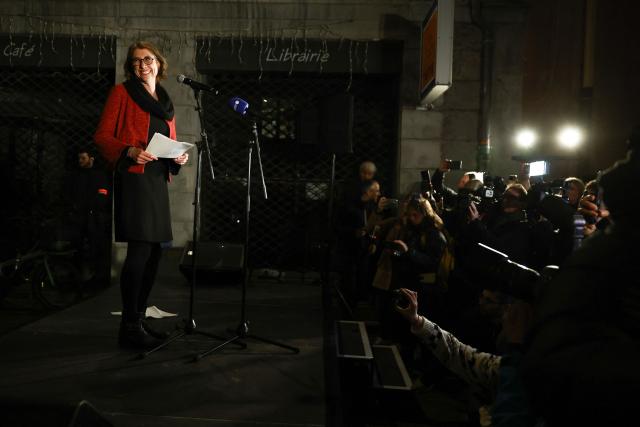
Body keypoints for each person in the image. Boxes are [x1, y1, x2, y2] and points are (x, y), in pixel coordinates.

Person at [521, 128, 640, 426]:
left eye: (632, 157)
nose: (614, 173)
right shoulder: (605, 245)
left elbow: (562, 369)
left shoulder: (615, 251)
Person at [94, 41, 189, 350]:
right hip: (135, 179)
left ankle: (139, 318)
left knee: (155, 254)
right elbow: (103, 136)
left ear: (159, 64)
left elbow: (166, 139)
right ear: (130, 66)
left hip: (157, 179)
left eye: (147, 59)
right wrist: (129, 150)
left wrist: (177, 157)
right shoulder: (121, 94)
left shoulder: (164, 100)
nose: (142, 64)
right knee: (139, 252)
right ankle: (129, 327)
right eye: (135, 61)